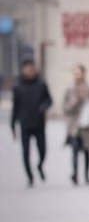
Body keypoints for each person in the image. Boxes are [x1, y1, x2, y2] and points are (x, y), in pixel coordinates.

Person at [11, 58, 52, 187]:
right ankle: (29, 177)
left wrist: (44, 107)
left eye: (32, 68)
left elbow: (49, 100)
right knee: (25, 152)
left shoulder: (41, 84)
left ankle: (39, 165)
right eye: (27, 68)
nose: (30, 71)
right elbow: (15, 107)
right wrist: (12, 125)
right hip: (25, 124)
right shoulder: (18, 87)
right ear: (23, 70)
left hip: (39, 124)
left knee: (43, 150)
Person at [63, 64, 89, 185]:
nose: (77, 76)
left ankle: (87, 176)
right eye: (75, 73)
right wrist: (74, 102)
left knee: (87, 151)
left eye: (79, 73)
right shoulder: (69, 89)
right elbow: (65, 108)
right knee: (74, 151)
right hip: (74, 126)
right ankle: (75, 175)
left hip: (86, 125)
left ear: (84, 74)